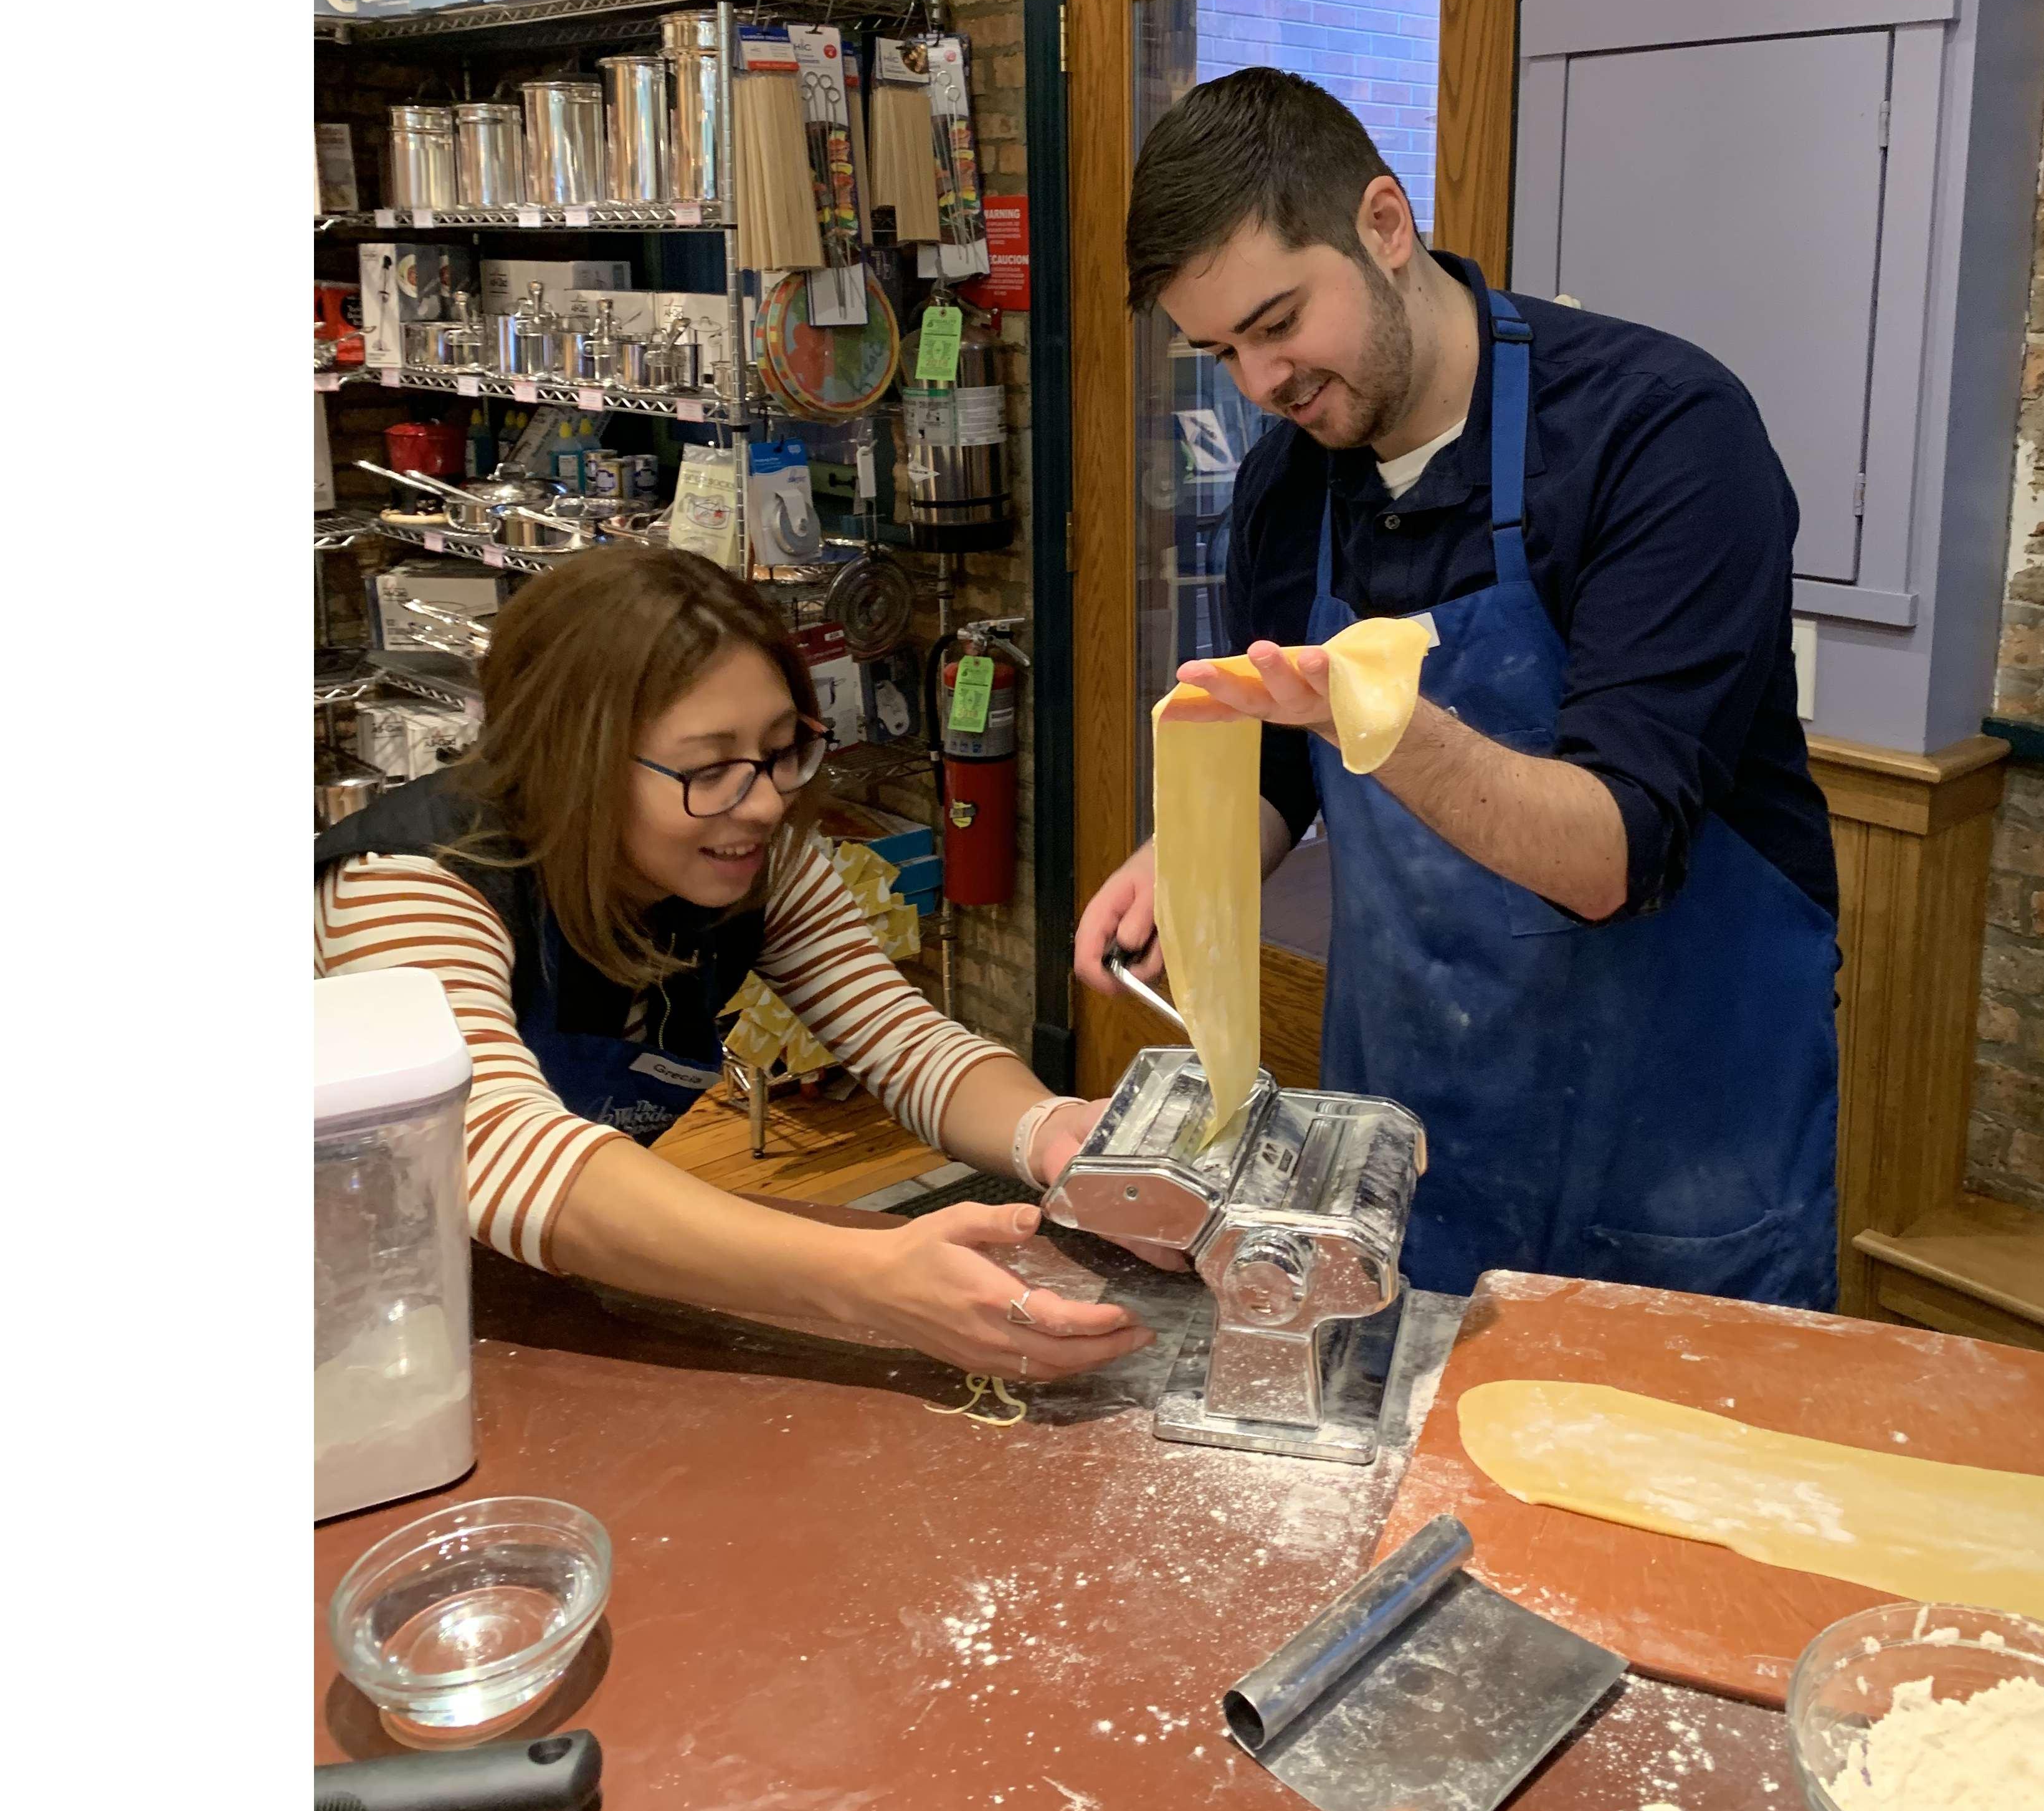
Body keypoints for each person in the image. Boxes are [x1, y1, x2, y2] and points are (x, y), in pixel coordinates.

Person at [1076, 69, 1843, 1308]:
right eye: (1221, 350)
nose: (1260, 383)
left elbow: (1610, 855)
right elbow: (1282, 768)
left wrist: (1374, 717)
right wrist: (1195, 858)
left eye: (1279, 324)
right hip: (1418, 1153)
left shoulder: (1660, 438)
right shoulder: (1290, 486)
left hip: (1682, 1154)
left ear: (1386, 224)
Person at [318, 546, 1154, 1385]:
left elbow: (904, 1043)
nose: (762, 803)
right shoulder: (412, 886)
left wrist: (1050, 1133)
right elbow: (486, 1145)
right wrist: (864, 1280)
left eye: (783, 750)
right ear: (570, 758)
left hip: (542, 1294)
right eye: (709, 767)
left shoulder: (755, 860)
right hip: (353, 1302)